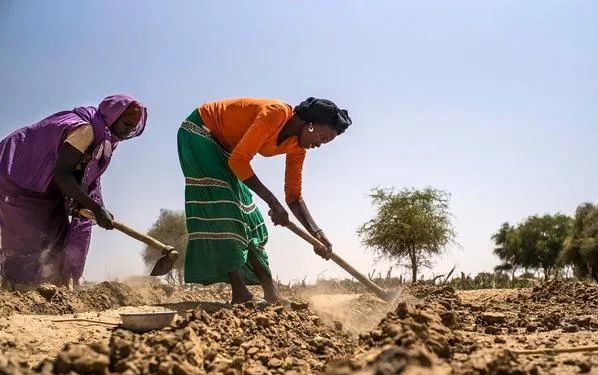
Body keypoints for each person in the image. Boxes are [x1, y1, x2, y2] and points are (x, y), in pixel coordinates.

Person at [177, 97, 351, 304]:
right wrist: (273, 203)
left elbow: (294, 197)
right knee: (228, 209)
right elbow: (239, 161)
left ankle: (270, 292)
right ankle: (240, 293)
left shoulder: (297, 147)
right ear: (310, 124)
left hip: (226, 149)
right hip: (199, 132)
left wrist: (317, 234)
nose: (319, 146)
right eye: (322, 138)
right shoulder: (275, 114)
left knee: (250, 216)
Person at [0, 94, 147, 290]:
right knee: (30, 234)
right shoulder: (84, 130)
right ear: (113, 116)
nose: (128, 131)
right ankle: (17, 287)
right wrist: (95, 207)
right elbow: (63, 175)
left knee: (57, 233)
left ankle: (55, 286)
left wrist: (93, 207)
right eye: (126, 124)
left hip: (46, 185)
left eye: (133, 128)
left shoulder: (104, 142)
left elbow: (85, 181)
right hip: (18, 173)